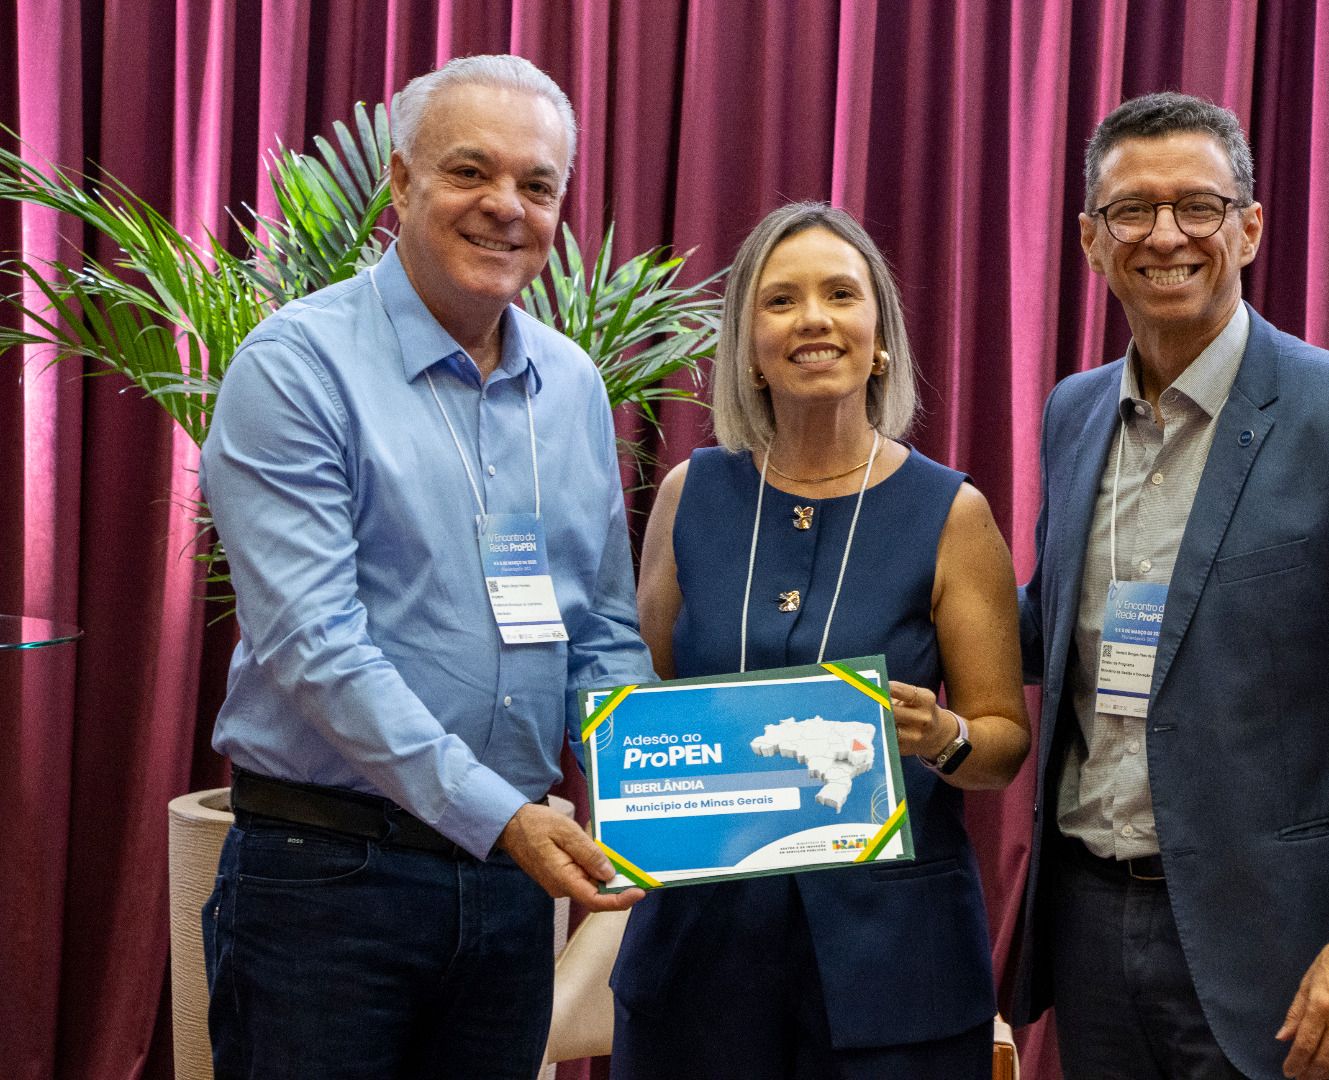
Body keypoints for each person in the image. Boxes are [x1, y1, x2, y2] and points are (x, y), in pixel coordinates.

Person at [1003, 93, 1329, 1080]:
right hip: (1092, 929)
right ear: (1092, 241)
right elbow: (1050, 627)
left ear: (1251, 227)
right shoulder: (1073, 413)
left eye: (1199, 205)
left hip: (1288, 949)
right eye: (1132, 211)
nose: (1166, 236)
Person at [197, 55, 651, 1080]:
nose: (506, 207)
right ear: (399, 183)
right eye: (469, 172)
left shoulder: (571, 387)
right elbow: (317, 647)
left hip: (507, 894)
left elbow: (602, 631)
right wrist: (503, 816)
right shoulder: (296, 367)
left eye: (537, 186)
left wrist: (658, 790)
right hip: (330, 879)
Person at [611, 202, 1031, 1079]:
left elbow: (1001, 742)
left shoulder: (951, 512)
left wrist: (943, 736)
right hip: (698, 958)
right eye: (781, 301)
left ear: (879, 335)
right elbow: (636, 695)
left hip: (894, 971)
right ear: (749, 345)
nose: (814, 319)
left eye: (841, 294)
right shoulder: (693, 494)